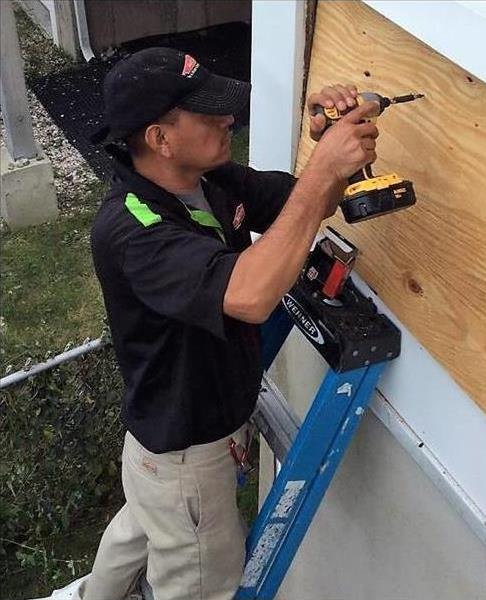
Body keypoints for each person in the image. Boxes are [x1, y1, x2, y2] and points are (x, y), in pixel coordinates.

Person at [79, 47, 379, 600]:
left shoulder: (209, 179)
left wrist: (329, 154)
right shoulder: (132, 231)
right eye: (207, 113)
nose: (228, 120)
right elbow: (250, 296)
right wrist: (322, 172)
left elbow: (304, 207)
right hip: (186, 457)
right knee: (198, 582)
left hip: (160, 443)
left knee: (141, 528)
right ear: (159, 139)